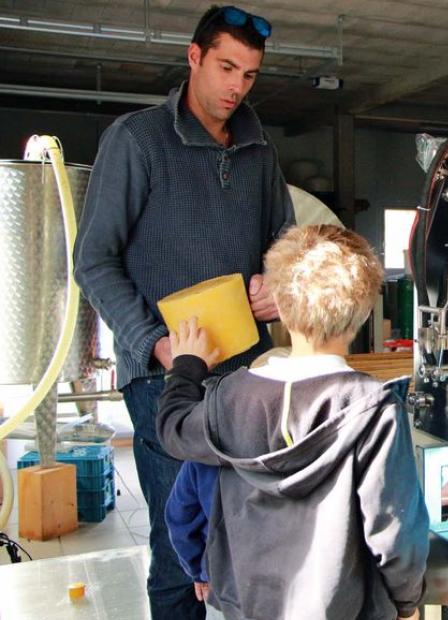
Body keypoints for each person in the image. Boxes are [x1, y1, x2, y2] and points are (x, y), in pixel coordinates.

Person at [73, 6, 294, 618]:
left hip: (245, 377)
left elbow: (286, 243)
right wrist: (156, 344)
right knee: (181, 545)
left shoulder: (258, 149)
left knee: (253, 537)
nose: (235, 86)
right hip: (164, 379)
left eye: (249, 75)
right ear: (194, 57)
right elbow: (93, 259)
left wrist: (279, 281)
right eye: (226, 67)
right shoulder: (138, 139)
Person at [155, 225, 429, 620]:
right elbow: (393, 526)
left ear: (279, 305)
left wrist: (188, 366)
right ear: (364, 311)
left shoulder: (229, 397)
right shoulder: (374, 408)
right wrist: (406, 602)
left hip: (250, 606)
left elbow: (173, 428)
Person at [165, 462, 223, 620]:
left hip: (223, 583)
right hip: (287, 584)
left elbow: (180, 521)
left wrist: (199, 571)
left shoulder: (202, 455)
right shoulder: (293, 451)